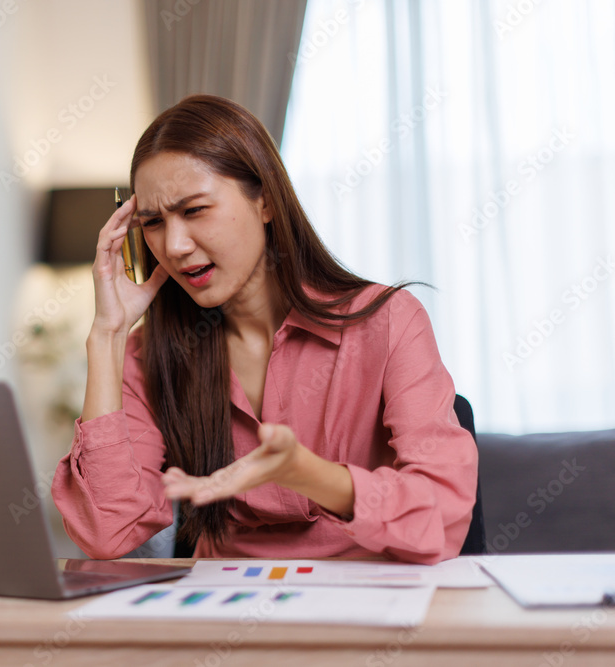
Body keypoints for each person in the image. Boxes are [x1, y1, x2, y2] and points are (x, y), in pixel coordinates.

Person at [50, 94, 477, 564]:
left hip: (369, 593)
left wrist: (310, 475)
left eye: (194, 210)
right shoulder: (146, 354)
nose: (174, 246)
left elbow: (443, 514)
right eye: (152, 222)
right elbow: (108, 534)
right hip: (226, 599)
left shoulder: (388, 322)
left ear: (267, 201)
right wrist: (107, 336)